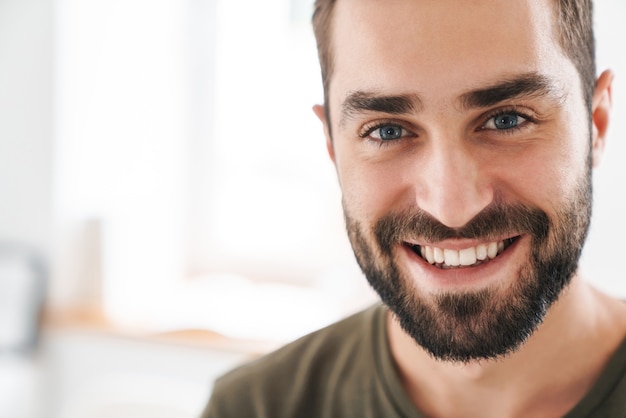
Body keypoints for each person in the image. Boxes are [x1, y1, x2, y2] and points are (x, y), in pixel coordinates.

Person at [202, 0, 626, 416]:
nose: (452, 207)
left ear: (596, 124)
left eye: (508, 119)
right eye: (387, 131)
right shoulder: (254, 407)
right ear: (333, 147)